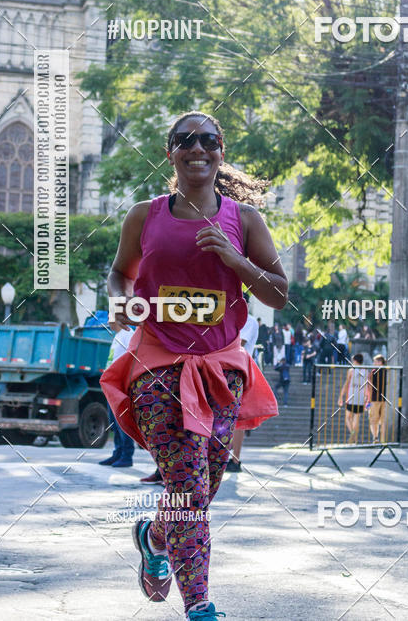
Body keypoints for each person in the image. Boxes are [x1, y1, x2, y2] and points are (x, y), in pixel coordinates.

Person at [100, 111, 288, 621]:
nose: (196, 147)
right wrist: (118, 301)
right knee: (187, 486)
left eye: (208, 139)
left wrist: (236, 260)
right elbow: (120, 274)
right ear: (170, 152)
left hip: (220, 371)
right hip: (158, 365)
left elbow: (279, 293)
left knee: (204, 484)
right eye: (185, 140)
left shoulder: (244, 221)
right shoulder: (145, 215)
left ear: (221, 150)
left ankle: (154, 534)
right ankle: (200, 607)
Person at [226, 294, 259, 473]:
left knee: (238, 417)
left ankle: (235, 459)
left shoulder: (249, 321)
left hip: (240, 370)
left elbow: (239, 342)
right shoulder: (230, 319)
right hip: (224, 368)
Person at [99, 326, 135, 467]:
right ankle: (117, 453)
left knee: (122, 421)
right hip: (111, 383)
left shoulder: (128, 335)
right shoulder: (118, 335)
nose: (108, 320)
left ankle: (127, 456)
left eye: (110, 316)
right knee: (113, 421)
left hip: (121, 383)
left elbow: (132, 359)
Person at [338, 353, 367, 443]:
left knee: (348, 417)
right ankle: (354, 436)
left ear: (355, 361)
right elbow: (367, 385)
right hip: (360, 396)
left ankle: (353, 434)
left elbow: (347, 383)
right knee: (356, 417)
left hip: (352, 395)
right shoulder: (365, 371)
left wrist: (341, 396)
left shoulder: (351, 370)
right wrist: (367, 397)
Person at [366, 354, 387, 444]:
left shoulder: (373, 372)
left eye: (375, 362)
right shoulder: (388, 371)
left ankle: (375, 438)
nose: (374, 363)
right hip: (385, 399)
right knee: (383, 421)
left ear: (380, 362)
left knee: (373, 420)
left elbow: (369, 387)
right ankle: (382, 439)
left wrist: (368, 400)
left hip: (374, 399)